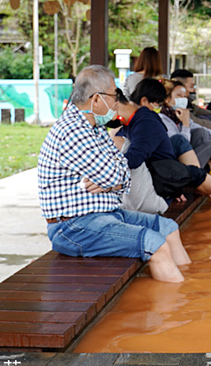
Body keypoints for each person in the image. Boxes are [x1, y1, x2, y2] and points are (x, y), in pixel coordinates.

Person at [37, 65, 191, 282]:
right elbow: (114, 174)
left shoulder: (96, 128)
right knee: (154, 243)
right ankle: (179, 308)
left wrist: (112, 181)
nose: (117, 102)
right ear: (96, 99)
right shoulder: (72, 131)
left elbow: (122, 169)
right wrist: (113, 180)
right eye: (113, 96)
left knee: (168, 227)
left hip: (104, 215)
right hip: (73, 228)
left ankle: (191, 286)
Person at [116, 80, 211, 204]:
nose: (183, 100)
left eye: (185, 96)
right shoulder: (147, 120)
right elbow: (139, 157)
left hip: (165, 166)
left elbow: (201, 128)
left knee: (202, 140)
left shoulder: (147, 119)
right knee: (183, 150)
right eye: (179, 95)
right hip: (160, 171)